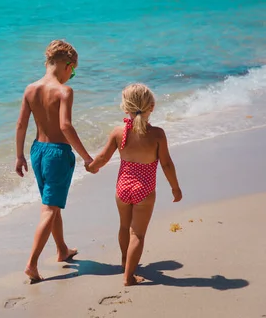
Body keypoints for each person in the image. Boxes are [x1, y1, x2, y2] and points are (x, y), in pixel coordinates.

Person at [86, 83, 183, 286]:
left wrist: (92, 167)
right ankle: (128, 277)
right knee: (137, 233)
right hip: (144, 190)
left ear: (125, 107)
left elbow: (103, 158)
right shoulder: (157, 134)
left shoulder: (118, 132)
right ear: (152, 107)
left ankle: (125, 262)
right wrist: (175, 187)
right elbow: (166, 163)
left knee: (123, 226)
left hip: (122, 188)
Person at [15, 39, 94, 282]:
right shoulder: (64, 91)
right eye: (74, 71)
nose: (72, 76)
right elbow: (65, 126)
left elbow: (20, 125)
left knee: (52, 202)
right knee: (49, 208)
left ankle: (62, 249)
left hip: (37, 151)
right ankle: (32, 263)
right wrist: (87, 157)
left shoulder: (30, 89)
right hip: (58, 154)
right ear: (66, 65)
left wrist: (19, 156)